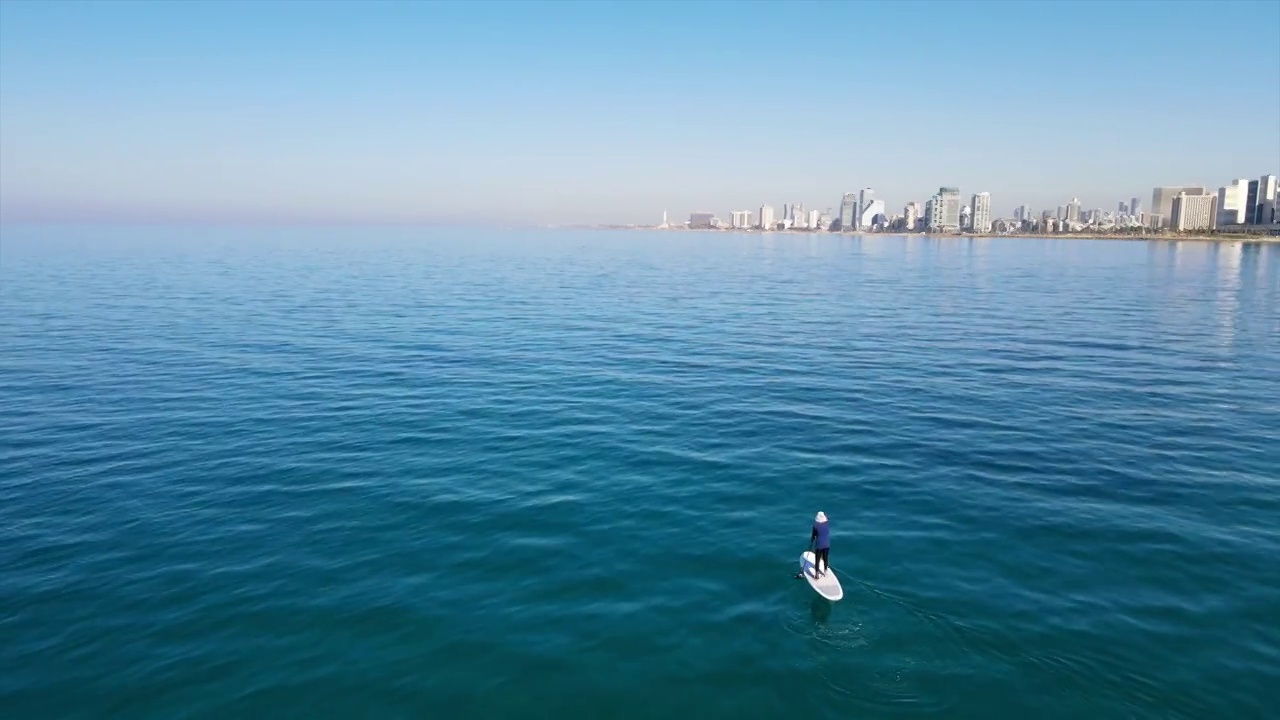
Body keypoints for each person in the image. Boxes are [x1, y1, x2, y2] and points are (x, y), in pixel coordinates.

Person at [810, 511, 830, 578]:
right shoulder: (827, 524)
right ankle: (826, 571)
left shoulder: (815, 526)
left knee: (817, 560)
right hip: (827, 545)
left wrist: (812, 540)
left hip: (819, 545)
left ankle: (817, 574)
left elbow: (813, 535)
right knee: (825, 558)